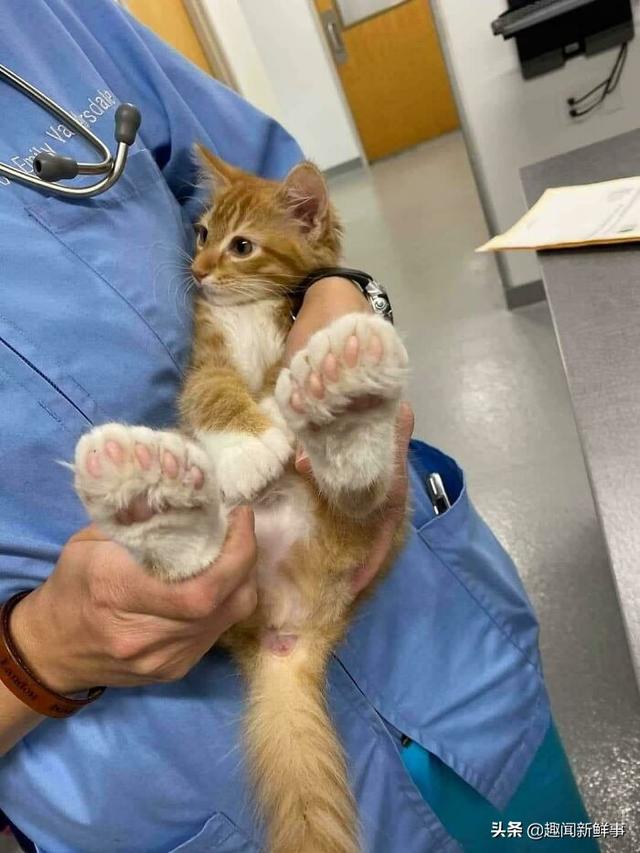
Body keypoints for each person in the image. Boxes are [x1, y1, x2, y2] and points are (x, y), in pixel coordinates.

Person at [0, 2, 596, 851]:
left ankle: (334, 451)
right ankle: (179, 526)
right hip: (158, 747)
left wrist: (340, 299)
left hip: (435, 647)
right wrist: (39, 652)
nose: (201, 260)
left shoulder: (46, 18)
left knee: (539, 832)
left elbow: (286, 200)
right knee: (209, 483)